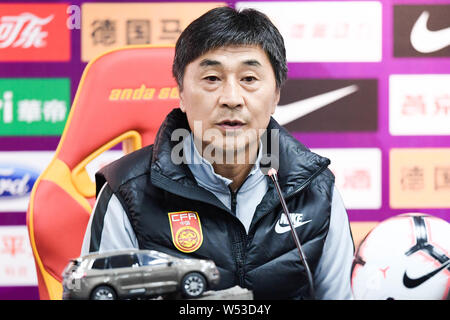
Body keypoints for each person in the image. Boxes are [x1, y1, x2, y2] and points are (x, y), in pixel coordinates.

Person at [81, 6, 354, 300]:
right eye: (212, 78)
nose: (231, 99)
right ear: (182, 94)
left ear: (275, 96)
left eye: (249, 79)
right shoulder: (126, 191)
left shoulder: (316, 190)